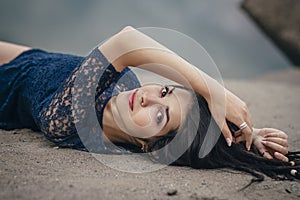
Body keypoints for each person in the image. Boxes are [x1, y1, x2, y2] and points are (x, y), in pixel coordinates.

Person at [0, 26, 299, 183]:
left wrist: (217, 90)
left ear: (151, 146)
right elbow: (43, 63)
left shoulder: (68, 119)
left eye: (159, 115)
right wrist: (247, 133)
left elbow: (127, 41)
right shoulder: (130, 89)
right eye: (166, 90)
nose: (149, 97)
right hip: (20, 56)